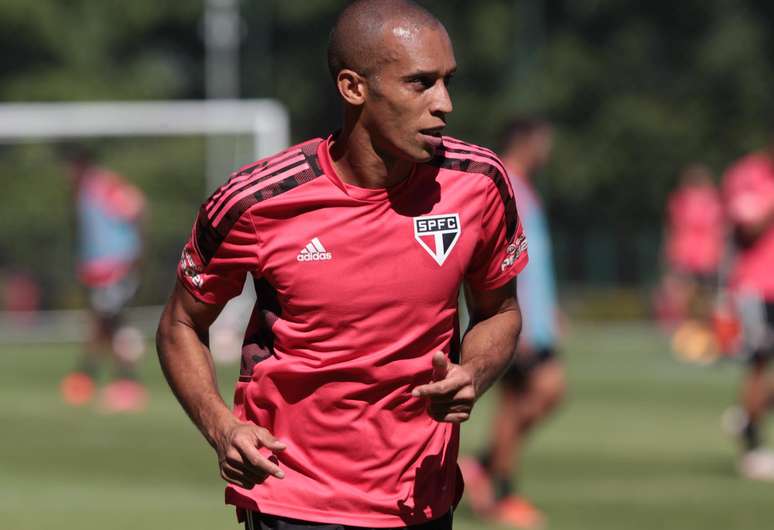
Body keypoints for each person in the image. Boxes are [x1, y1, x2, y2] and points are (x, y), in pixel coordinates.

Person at [155, 1, 529, 529]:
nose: (443, 103)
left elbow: (500, 311)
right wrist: (222, 427)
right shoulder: (255, 201)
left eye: (447, 81)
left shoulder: (480, 183)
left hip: (422, 497)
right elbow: (180, 324)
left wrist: (473, 373)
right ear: (353, 88)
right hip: (292, 494)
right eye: (420, 83)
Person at [459, 118, 565, 528]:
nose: (548, 151)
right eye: (543, 142)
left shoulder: (525, 189)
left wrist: (549, 308)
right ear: (524, 143)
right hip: (515, 320)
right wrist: (512, 319)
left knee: (544, 394)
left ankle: (482, 467)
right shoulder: (503, 187)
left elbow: (531, 260)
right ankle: (501, 491)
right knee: (520, 401)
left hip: (534, 320)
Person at [59, 145, 149, 412]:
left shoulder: (103, 186)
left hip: (117, 267)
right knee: (106, 324)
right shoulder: (83, 191)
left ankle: (122, 383)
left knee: (108, 322)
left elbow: (138, 207)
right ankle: (95, 379)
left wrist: (137, 255)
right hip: (99, 270)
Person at [721, 140, 774, 481]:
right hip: (758, 286)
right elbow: (748, 228)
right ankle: (752, 449)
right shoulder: (747, 175)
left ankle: (745, 416)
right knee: (758, 364)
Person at [656, 165, 726, 363]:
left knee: (695, 303)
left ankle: (698, 341)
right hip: (699, 255)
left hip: (696, 255)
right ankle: (694, 341)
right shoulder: (696, 199)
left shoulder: (696, 199)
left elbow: (673, 229)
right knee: (696, 302)